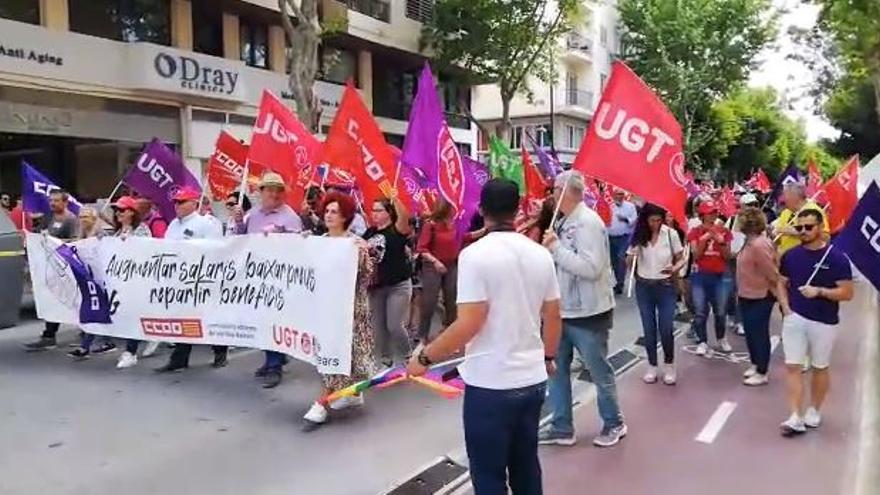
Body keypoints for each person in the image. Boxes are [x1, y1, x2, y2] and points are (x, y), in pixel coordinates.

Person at [407, 178, 562, 494]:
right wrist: (547, 357)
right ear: (517, 209)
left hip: (491, 385)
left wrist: (424, 358)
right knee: (526, 466)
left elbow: (469, 323)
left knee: (489, 474)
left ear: (481, 210)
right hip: (531, 380)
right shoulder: (541, 254)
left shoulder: (475, 256)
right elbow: (554, 315)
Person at [539, 171, 627, 448]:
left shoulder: (588, 222)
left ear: (567, 191)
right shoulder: (565, 222)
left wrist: (556, 250)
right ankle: (562, 426)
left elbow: (591, 268)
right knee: (556, 369)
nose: (551, 194)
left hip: (589, 312)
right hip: (563, 311)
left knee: (598, 370)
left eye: (554, 189)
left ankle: (614, 423)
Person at [777, 209, 853, 436]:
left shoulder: (836, 257)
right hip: (795, 317)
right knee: (793, 366)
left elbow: (847, 293)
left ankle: (814, 410)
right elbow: (781, 282)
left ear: (820, 228)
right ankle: (794, 416)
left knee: (820, 366)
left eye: (808, 227)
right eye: (799, 228)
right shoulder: (790, 255)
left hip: (825, 320)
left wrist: (820, 291)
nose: (803, 232)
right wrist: (786, 308)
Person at [303, 192, 376, 425]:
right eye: (327, 211)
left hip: (352, 312)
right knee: (330, 356)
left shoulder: (354, 244)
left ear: (345, 216)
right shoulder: (319, 242)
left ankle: (333, 399)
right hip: (326, 311)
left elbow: (366, 276)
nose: (329, 215)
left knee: (351, 357)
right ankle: (329, 401)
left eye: (334, 211)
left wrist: (362, 252)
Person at [230, 173, 303, 387]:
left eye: (278, 190)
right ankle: (273, 358)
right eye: (269, 189)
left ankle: (274, 366)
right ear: (260, 192)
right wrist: (238, 222)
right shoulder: (252, 215)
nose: (274, 194)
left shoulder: (290, 217)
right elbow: (240, 239)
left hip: (278, 278)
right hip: (256, 277)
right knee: (261, 321)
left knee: (274, 321)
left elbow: (299, 247)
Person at [155, 187, 228, 373]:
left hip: (200, 278)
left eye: (181, 202)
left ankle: (220, 352)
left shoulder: (205, 224)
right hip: (179, 279)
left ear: (194, 203)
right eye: (176, 202)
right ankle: (179, 359)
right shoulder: (173, 225)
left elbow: (215, 249)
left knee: (208, 318)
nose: (177, 206)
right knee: (182, 318)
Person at [627, 203, 684, 385]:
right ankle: (652, 365)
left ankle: (669, 364)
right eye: (652, 220)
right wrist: (632, 255)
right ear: (646, 219)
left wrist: (674, 268)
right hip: (644, 286)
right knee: (648, 329)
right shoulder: (638, 235)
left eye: (659, 220)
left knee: (666, 328)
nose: (656, 224)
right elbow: (628, 264)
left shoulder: (670, 234)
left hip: (665, 286)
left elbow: (682, 258)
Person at [24, 190, 79, 351]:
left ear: (65, 202)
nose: (52, 204)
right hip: (49, 267)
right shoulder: (48, 218)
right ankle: (49, 335)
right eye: (51, 201)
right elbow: (39, 234)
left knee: (71, 301)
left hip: (64, 268)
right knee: (51, 300)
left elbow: (75, 241)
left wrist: (55, 242)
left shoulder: (71, 220)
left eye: (56, 201)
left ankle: (87, 333)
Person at [363, 196, 413, 367]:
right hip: (376, 287)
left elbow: (404, 218)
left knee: (394, 325)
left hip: (397, 286)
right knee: (378, 327)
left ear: (389, 213)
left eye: (378, 210)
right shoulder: (370, 232)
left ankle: (407, 354)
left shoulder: (397, 230)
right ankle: (385, 357)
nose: (374, 214)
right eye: (373, 210)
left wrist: (396, 199)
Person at [736, 206, 779, 387]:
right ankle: (755, 364)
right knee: (751, 333)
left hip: (760, 295)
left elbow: (771, 272)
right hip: (746, 293)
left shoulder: (759, 245)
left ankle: (762, 371)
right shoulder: (749, 242)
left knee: (759, 333)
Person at [687, 200, 733, 355]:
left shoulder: (725, 231)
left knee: (720, 310)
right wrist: (704, 239)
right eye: (709, 213)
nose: (713, 215)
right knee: (700, 310)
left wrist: (720, 241)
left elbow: (727, 256)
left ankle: (721, 338)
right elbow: (696, 256)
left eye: (714, 212)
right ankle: (702, 341)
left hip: (720, 275)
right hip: (700, 275)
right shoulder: (695, 231)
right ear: (702, 215)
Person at [416, 198, 461, 344]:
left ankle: (449, 333)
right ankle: (422, 335)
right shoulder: (431, 225)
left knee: (451, 300)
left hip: (451, 265)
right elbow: (422, 248)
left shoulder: (456, 225)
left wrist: (484, 230)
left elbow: (464, 237)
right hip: (432, 265)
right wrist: (435, 262)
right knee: (430, 301)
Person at [771, 182, 828, 255]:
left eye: (784, 195)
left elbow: (826, 238)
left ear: (793, 196)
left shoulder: (815, 211)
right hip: (785, 259)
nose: (782, 199)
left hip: (804, 258)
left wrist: (796, 232)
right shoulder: (785, 212)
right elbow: (779, 239)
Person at [608, 188, 637, 294]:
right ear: (613, 195)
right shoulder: (609, 206)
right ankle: (618, 281)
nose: (620, 196)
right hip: (610, 237)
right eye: (617, 194)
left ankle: (620, 283)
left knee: (621, 257)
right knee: (614, 260)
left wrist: (625, 219)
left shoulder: (630, 206)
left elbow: (634, 219)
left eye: (621, 194)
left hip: (624, 237)